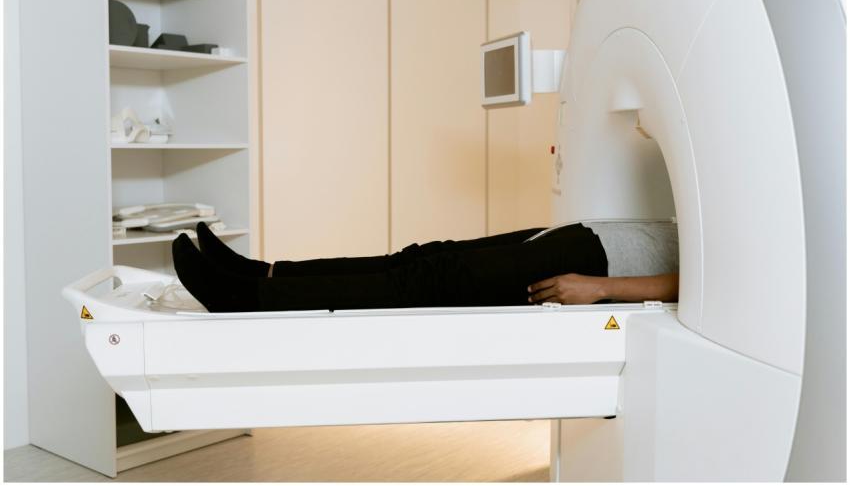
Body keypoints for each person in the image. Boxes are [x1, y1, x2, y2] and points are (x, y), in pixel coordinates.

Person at [172, 220, 679, 313]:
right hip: (588, 234)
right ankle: (262, 273)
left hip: (601, 262)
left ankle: (246, 298)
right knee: (421, 257)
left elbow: (712, 280)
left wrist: (604, 288)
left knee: (422, 281)